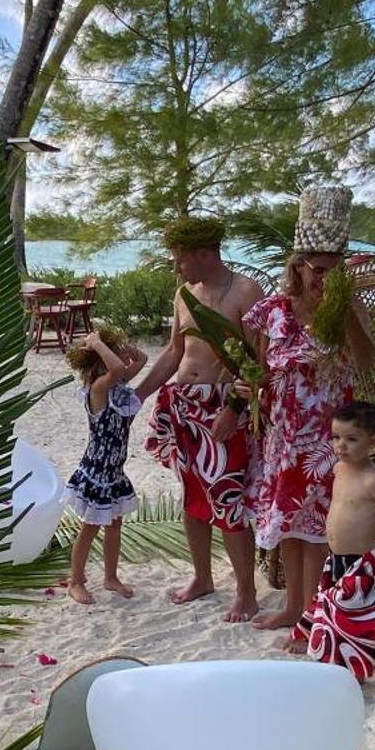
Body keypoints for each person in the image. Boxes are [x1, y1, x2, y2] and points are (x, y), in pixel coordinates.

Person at [244, 186, 375, 632]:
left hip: (327, 440)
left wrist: (346, 305)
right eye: (316, 269)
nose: (321, 278)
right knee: (289, 525)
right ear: (297, 266)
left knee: (318, 529)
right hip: (283, 437)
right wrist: (248, 390)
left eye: (331, 271)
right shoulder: (274, 312)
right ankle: (293, 606)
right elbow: (259, 368)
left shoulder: (346, 310)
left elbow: (366, 360)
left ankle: (310, 615)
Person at [137, 216, 265, 620]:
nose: (178, 267)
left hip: (225, 405)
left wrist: (234, 410)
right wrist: (138, 394)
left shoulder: (246, 292)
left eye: (181, 259)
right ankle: (203, 577)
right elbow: (175, 353)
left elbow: (258, 360)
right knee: (192, 496)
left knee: (227, 500)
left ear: (205, 253)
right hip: (184, 405)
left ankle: (246, 591)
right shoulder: (184, 294)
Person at [282, 400, 375, 680]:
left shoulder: (372, 480)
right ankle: (315, 643)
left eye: (351, 439)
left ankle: (349, 671)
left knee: (352, 619)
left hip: (362, 563)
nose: (341, 446)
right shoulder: (341, 468)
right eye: (336, 437)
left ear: (373, 441)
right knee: (328, 602)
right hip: (337, 556)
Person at [62, 326, 146, 603]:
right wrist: (97, 343)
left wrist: (125, 348)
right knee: (89, 528)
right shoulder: (98, 388)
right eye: (113, 355)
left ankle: (111, 577)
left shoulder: (119, 388)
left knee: (114, 526)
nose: (121, 360)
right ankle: (75, 580)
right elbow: (117, 368)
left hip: (114, 473)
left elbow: (143, 360)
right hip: (96, 473)